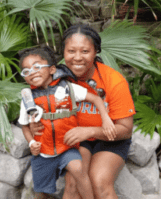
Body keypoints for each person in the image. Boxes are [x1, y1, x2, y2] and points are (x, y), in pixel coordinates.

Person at [29, 24, 136, 199]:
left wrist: (91, 131)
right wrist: (35, 126)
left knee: (99, 181)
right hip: (76, 139)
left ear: (95, 52)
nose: (77, 58)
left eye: (85, 51)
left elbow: (125, 129)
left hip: (110, 139)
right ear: (63, 52)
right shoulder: (54, 77)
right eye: (71, 51)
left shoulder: (114, 81)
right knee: (73, 183)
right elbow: (39, 109)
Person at [17, 46, 116, 199]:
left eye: (37, 66)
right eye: (26, 71)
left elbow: (96, 98)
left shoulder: (68, 88)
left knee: (78, 170)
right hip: (43, 152)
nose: (32, 72)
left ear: (51, 69)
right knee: (41, 191)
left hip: (67, 147)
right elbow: (24, 126)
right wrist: (31, 143)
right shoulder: (28, 98)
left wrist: (106, 118)